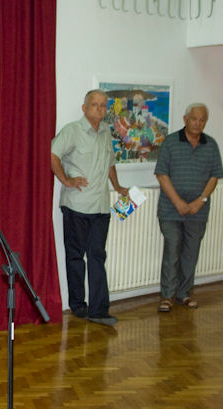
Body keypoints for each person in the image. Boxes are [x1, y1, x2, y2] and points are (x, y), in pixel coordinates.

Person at [51, 89, 129, 326]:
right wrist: (66, 180)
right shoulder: (72, 130)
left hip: (101, 207)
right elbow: (53, 154)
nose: (100, 109)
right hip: (76, 206)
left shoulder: (106, 132)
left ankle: (99, 310)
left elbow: (110, 163)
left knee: (97, 256)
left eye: (103, 105)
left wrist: (118, 186)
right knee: (75, 257)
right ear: (84, 108)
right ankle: (78, 305)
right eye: (95, 104)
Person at [154, 103, 223, 312]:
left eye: (202, 120)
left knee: (191, 253)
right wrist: (178, 202)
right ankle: (167, 296)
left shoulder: (211, 144)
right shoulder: (170, 142)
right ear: (185, 119)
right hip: (170, 210)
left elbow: (214, 176)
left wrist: (200, 200)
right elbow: (161, 175)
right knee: (172, 249)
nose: (198, 123)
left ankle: (183, 294)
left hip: (197, 211)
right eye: (194, 119)